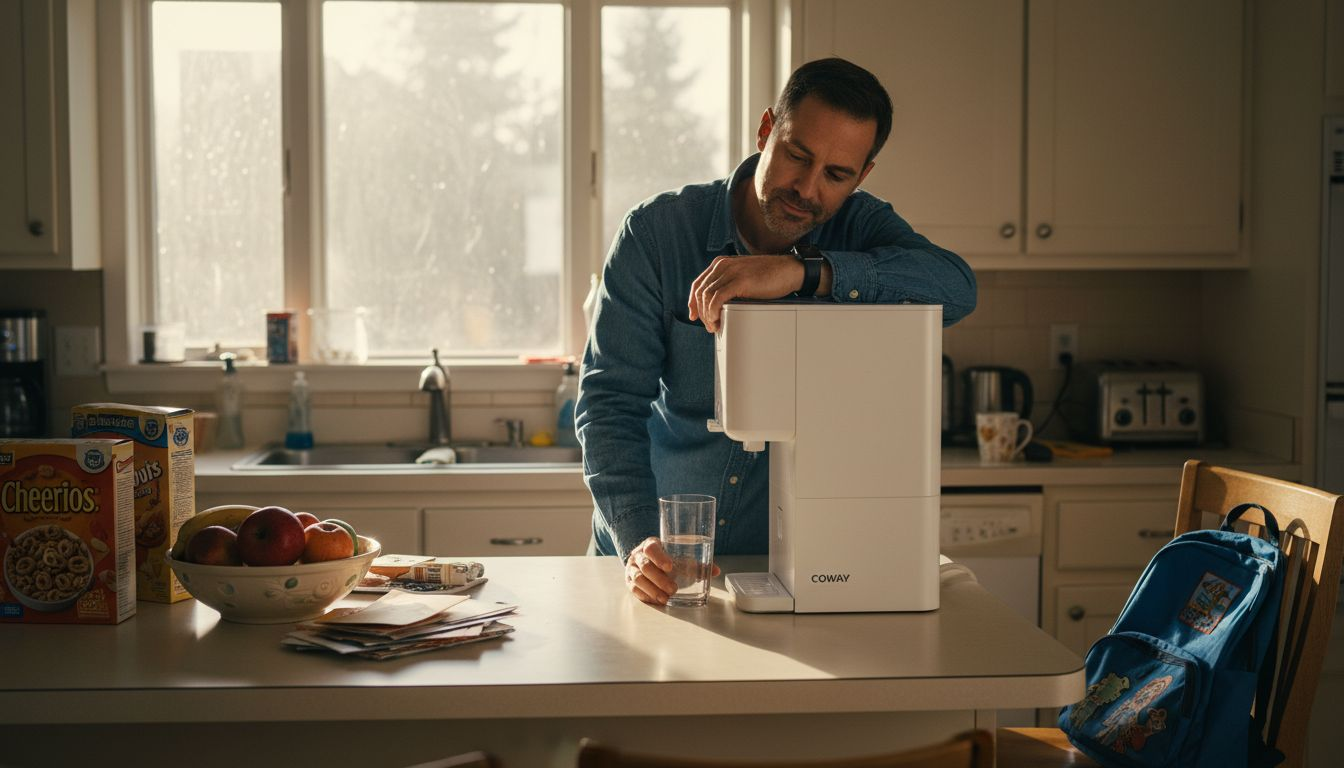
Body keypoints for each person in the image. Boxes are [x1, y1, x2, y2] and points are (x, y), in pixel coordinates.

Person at [575, 57, 977, 605]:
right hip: (659, 564)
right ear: (767, 130)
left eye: (836, 175)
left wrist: (803, 272)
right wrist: (638, 540)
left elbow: (957, 289)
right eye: (797, 156)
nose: (807, 189)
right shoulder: (657, 233)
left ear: (862, 176)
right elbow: (608, 405)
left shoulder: (859, 227)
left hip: (792, 572)